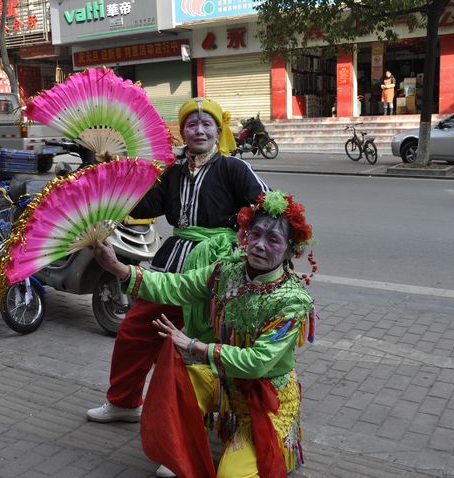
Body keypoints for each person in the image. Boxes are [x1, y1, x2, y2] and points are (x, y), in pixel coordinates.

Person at [86, 97, 268, 471]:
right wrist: (116, 174)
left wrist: (245, 253)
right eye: (191, 124)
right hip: (172, 261)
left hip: (216, 268)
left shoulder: (234, 168)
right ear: (182, 132)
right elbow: (142, 206)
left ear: (219, 130)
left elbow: (267, 207)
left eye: (206, 124)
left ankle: (185, 440)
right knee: (136, 330)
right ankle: (124, 402)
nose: (199, 130)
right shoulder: (171, 172)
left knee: (192, 354)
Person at [92, 190, 316, 477]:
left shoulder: (293, 301)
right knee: (179, 377)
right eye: (256, 234)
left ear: (290, 250)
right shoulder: (226, 271)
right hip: (226, 383)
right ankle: (181, 450)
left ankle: (275, 442)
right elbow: (177, 286)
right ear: (245, 234)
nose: (260, 245)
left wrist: (195, 346)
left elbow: (258, 362)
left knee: (230, 475)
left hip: (266, 398)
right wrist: (119, 269)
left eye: (273, 240)